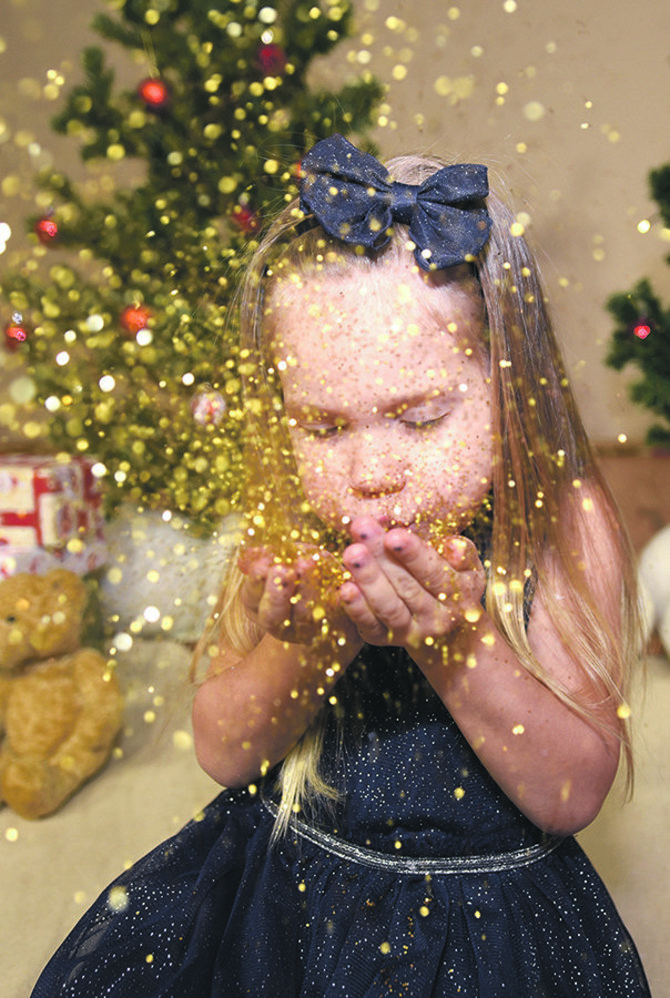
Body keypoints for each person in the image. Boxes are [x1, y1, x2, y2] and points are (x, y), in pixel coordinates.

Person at [32, 134, 650, 996]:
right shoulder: (293, 530)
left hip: (486, 925)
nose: (369, 471)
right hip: (290, 903)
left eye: (422, 415)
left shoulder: (560, 524)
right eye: (323, 427)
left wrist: (458, 647)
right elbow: (224, 749)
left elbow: (570, 793)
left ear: (517, 391)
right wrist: (311, 643)